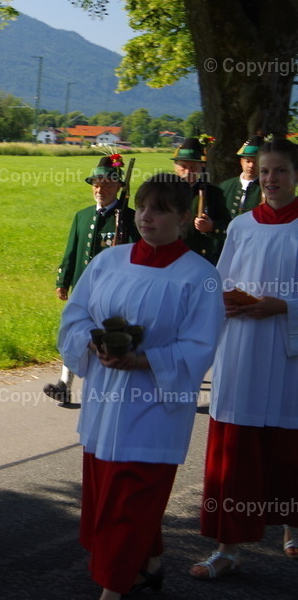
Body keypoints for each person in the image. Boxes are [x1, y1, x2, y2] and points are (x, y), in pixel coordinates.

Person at [58, 173, 223, 599]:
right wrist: (93, 347)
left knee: (129, 504)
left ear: (184, 218)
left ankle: (113, 589)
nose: (146, 217)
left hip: (154, 409)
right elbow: (75, 317)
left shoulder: (199, 275)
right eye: (144, 207)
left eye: (161, 210)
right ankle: (149, 563)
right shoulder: (108, 262)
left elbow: (200, 345)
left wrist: (143, 359)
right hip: (105, 403)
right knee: (109, 496)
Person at [189, 137, 298, 580]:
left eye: (281, 172)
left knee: (288, 447)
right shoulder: (241, 226)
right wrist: (225, 302)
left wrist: (286, 306)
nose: (270, 179)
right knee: (235, 451)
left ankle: (293, 526)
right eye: (265, 171)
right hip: (242, 350)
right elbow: (219, 282)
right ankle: (227, 547)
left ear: (295, 176)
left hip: (288, 353)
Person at [44, 155, 139, 405]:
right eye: (96, 184)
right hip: (82, 288)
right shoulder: (82, 216)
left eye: (106, 184)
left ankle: (111, 387)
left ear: (118, 187)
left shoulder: (129, 218)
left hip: (113, 292)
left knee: (106, 339)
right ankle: (64, 384)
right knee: (74, 333)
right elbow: (72, 251)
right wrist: (63, 280)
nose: (100, 189)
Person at [170, 137, 229, 263]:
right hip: (169, 258)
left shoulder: (213, 193)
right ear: (175, 167)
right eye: (183, 166)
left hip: (199, 259)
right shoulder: (165, 192)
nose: (188, 171)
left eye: (193, 167)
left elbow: (227, 227)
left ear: (201, 167)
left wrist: (212, 227)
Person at [219, 135, 263, 221]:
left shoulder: (264, 188)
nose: (251, 165)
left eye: (256, 162)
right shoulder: (225, 186)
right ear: (241, 161)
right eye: (248, 161)